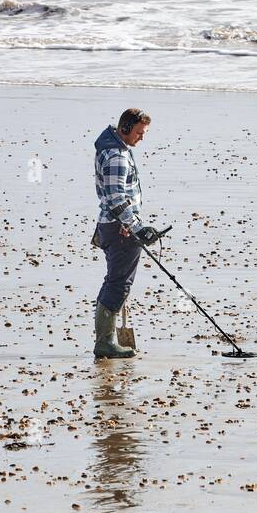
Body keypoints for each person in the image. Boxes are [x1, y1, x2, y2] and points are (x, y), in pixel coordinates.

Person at [93, 108, 161, 359]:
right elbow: (116, 197)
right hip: (119, 228)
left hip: (115, 225)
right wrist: (137, 227)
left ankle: (106, 339)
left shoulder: (113, 149)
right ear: (124, 129)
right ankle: (105, 343)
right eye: (139, 133)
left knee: (115, 281)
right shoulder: (116, 156)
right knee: (119, 283)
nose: (141, 138)